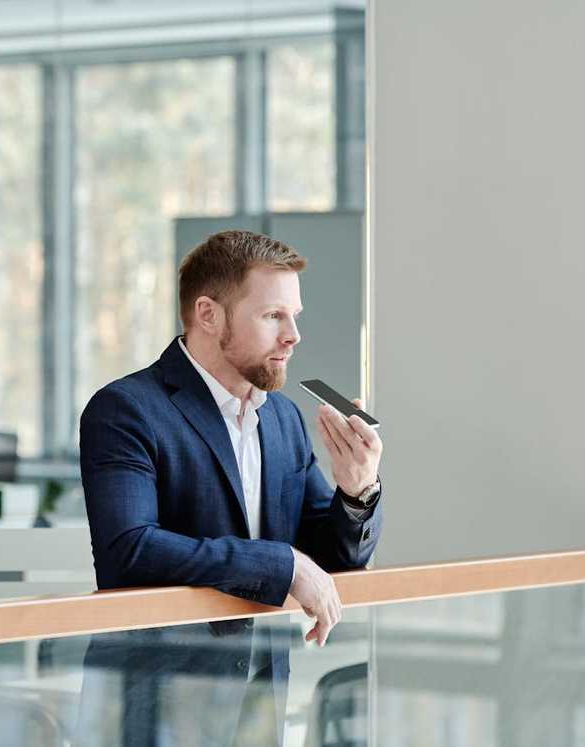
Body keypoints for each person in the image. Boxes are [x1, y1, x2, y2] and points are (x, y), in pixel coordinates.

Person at [77, 229, 384, 746]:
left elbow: (329, 557)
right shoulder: (126, 409)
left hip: (259, 704)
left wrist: (356, 493)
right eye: (273, 316)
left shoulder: (283, 418)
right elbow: (129, 549)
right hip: (156, 702)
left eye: (294, 316)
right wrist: (279, 564)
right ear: (208, 314)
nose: (293, 336)